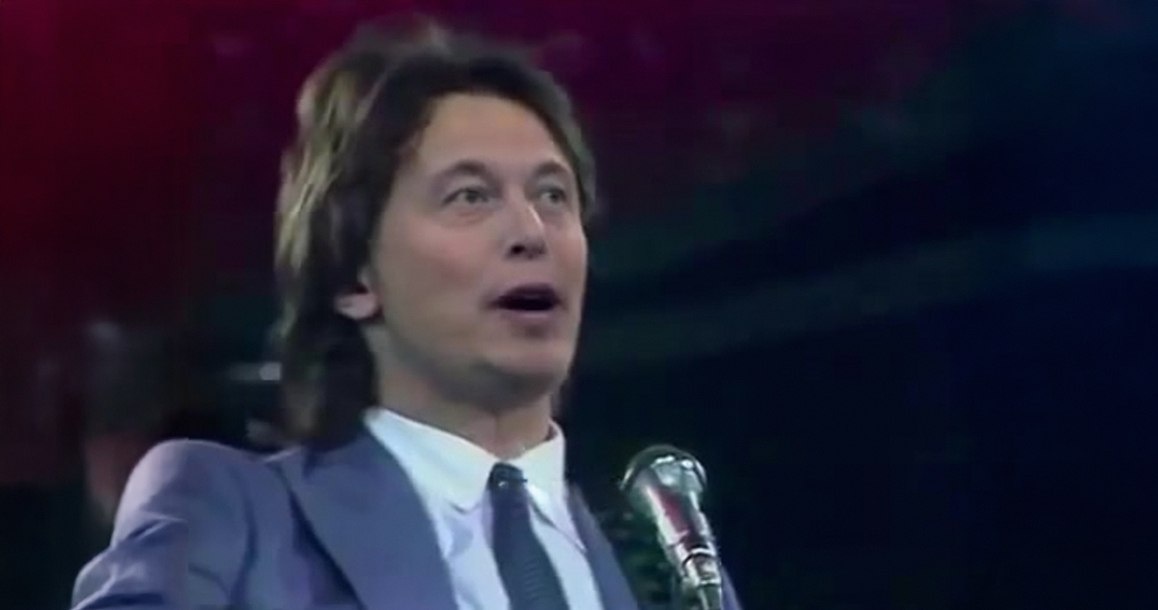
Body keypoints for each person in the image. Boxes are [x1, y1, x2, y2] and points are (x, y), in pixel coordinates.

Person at [71, 18, 744, 610]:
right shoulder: (234, 512)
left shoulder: (669, 568)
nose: (531, 231)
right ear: (354, 275)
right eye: (470, 196)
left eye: (553, 195)